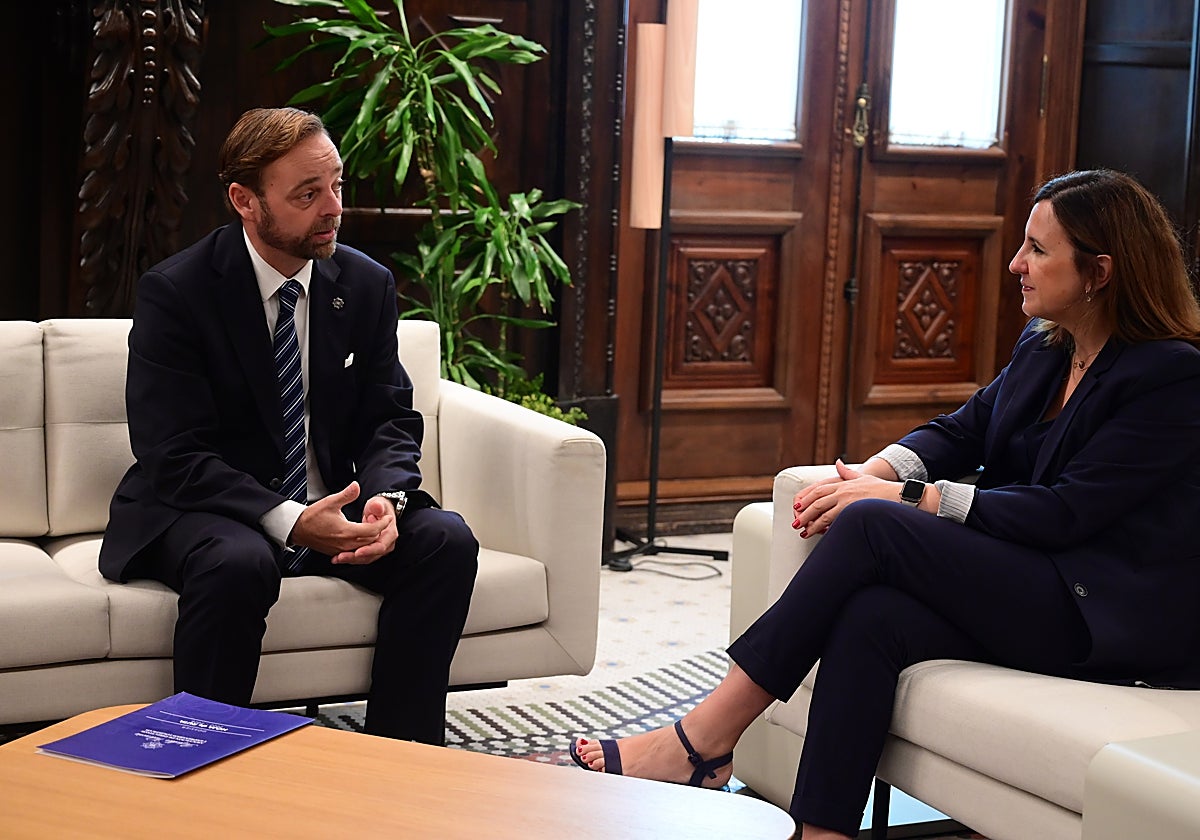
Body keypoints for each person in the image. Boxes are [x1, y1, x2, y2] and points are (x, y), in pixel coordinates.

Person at [570, 169, 1200, 837]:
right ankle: (821, 830)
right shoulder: (1048, 345)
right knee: (873, 616)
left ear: (1099, 271)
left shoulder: (1171, 376)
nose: (1017, 264)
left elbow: (1066, 512)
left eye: (1038, 251)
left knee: (875, 523)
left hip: (1102, 613)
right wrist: (873, 470)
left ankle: (701, 741)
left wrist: (902, 496)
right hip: (1038, 581)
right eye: (1022, 243)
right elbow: (963, 429)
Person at [99, 107, 478, 745]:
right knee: (240, 561)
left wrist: (386, 497)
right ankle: (201, 760)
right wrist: (293, 519)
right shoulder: (178, 291)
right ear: (245, 200)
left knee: (445, 539)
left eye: (336, 184)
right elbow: (173, 453)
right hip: (210, 509)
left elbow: (390, 412)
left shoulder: (364, 283)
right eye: (307, 194)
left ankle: (403, 757)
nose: (332, 206)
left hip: (336, 503)